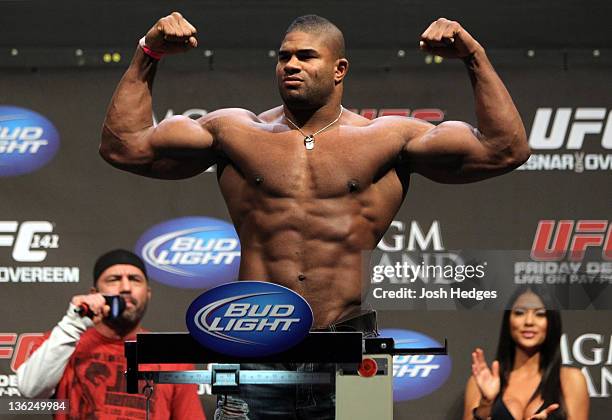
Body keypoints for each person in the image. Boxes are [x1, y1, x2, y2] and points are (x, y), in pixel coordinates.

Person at [99, 12, 530, 419]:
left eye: (306, 56)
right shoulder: (235, 132)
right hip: (252, 344)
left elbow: (505, 149)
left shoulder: (386, 139)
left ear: (339, 69)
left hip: (353, 348)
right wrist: (147, 54)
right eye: (284, 56)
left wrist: (474, 57)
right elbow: (124, 146)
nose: (290, 64)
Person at [16, 249, 206, 420]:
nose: (125, 288)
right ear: (94, 293)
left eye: (134, 279)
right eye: (113, 279)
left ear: (148, 293)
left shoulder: (170, 356)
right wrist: (73, 324)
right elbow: (30, 390)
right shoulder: (65, 339)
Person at [463, 286, 589, 420]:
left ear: (551, 321)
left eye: (540, 314)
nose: (529, 321)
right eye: (519, 312)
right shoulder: (481, 383)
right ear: (509, 320)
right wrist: (485, 405)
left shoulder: (571, 380)